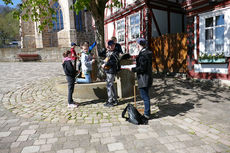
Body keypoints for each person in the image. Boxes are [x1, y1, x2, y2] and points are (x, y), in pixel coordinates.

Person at [129, 38, 153, 119]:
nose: (136, 45)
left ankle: (146, 114)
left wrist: (132, 69)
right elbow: (144, 64)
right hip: (147, 77)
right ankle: (147, 112)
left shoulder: (144, 54)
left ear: (139, 45)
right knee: (146, 95)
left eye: (137, 44)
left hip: (144, 78)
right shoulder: (147, 52)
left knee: (144, 96)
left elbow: (142, 68)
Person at [102, 40, 119, 107]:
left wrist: (105, 64)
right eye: (111, 45)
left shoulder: (115, 53)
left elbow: (113, 62)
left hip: (111, 71)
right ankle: (114, 100)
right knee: (111, 85)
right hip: (108, 70)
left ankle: (110, 101)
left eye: (113, 45)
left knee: (109, 85)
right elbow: (102, 55)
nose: (112, 46)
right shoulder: (109, 52)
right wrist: (106, 50)